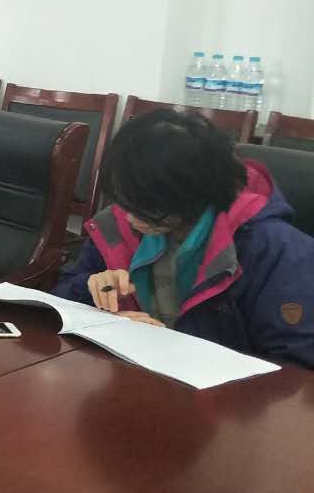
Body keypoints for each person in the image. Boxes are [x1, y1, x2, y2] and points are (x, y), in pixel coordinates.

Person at [55, 109, 314, 367]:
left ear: (190, 192)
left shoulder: (272, 248)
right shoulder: (118, 222)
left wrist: (170, 346)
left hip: (218, 387)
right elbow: (61, 299)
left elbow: (298, 367)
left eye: (147, 205)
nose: (129, 217)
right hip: (133, 373)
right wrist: (94, 296)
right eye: (124, 200)